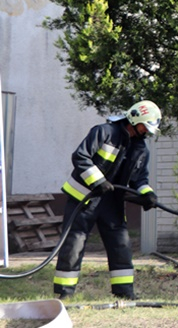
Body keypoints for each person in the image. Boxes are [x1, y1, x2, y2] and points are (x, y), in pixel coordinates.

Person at [53, 100, 161, 300]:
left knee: (121, 245)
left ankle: (124, 292)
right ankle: (65, 292)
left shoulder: (141, 149)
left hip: (112, 204)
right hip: (83, 200)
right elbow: (80, 157)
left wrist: (147, 194)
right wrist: (98, 181)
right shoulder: (104, 132)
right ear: (135, 120)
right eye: (145, 127)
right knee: (74, 244)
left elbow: (139, 179)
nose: (146, 132)